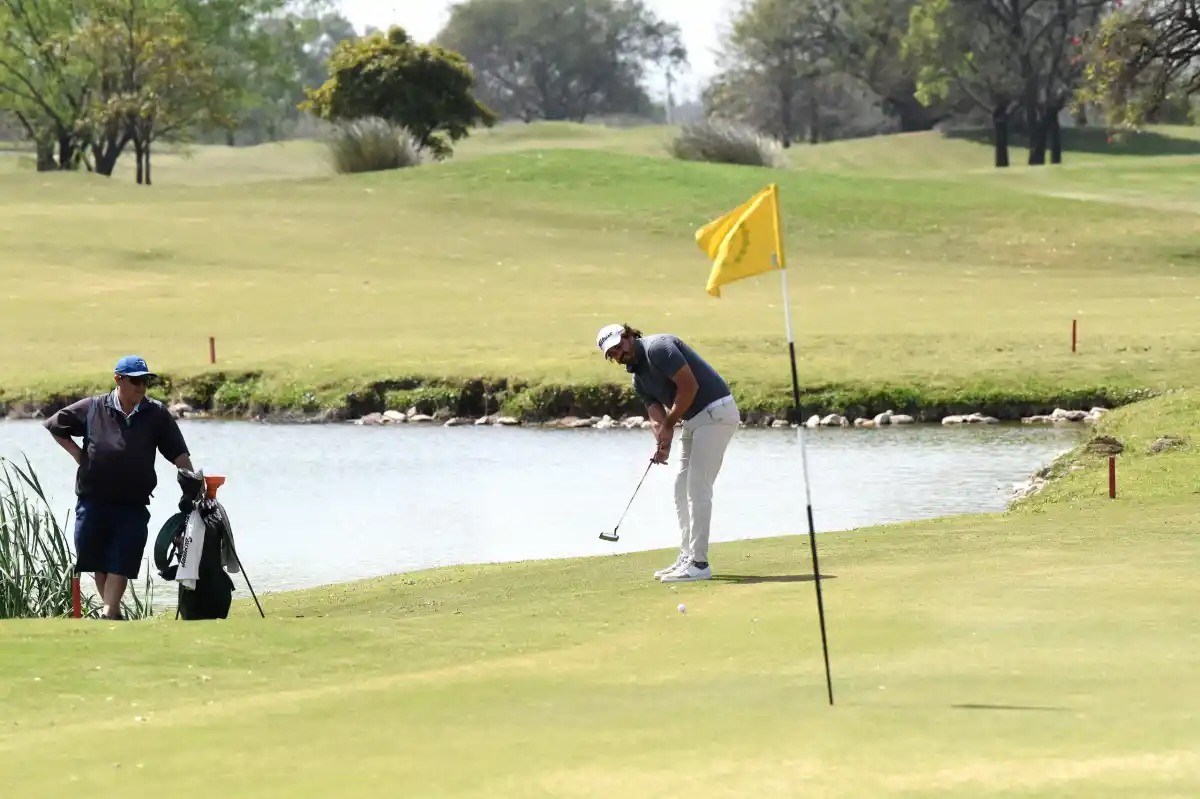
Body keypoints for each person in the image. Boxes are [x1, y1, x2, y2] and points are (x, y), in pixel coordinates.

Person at [43, 355, 194, 619]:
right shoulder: (92, 407)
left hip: (133, 502)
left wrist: (193, 480)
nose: (141, 386)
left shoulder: (156, 414)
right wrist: (78, 455)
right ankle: (112, 615)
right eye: (135, 381)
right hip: (92, 499)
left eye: (145, 381)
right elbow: (56, 425)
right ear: (118, 380)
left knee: (121, 560)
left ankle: (108, 612)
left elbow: (178, 454)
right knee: (97, 561)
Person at [596, 323, 740, 583]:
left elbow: (689, 387)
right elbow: (656, 417)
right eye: (612, 353)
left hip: (716, 413)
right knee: (680, 488)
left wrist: (670, 424)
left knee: (697, 488)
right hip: (695, 421)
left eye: (619, 346)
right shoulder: (638, 378)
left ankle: (699, 563)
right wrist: (663, 444)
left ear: (630, 336)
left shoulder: (659, 348)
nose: (619, 354)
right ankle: (687, 556)